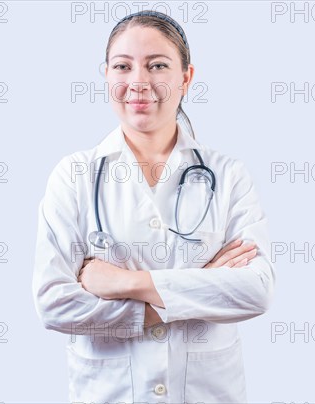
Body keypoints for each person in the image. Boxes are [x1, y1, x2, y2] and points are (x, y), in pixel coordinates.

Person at [32, 10, 276, 404]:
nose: (138, 82)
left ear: (185, 78)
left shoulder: (228, 174)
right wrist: (200, 286)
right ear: (107, 76)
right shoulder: (74, 175)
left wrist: (129, 283)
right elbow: (54, 304)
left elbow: (256, 290)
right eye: (122, 67)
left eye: (157, 65)